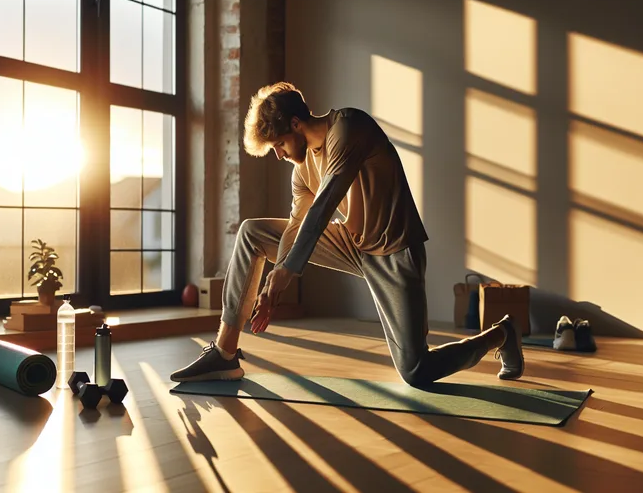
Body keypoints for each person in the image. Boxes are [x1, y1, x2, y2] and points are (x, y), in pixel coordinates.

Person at [170, 82, 524, 386]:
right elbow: (298, 223)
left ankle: (502, 333)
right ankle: (224, 353)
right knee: (252, 233)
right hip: (352, 245)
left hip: (395, 251)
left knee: (417, 370)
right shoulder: (301, 168)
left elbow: (326, 204)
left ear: (295, 123)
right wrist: (277, 272)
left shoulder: (349, 127)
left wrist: (282, 275)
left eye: (278, 144)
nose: (278, 155)